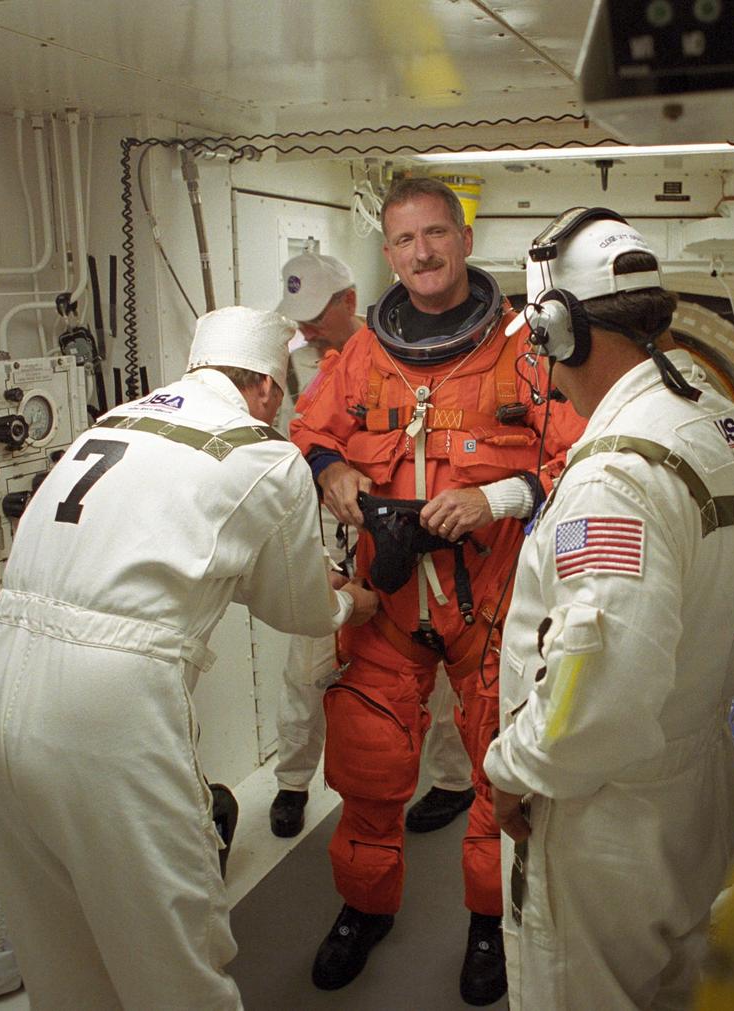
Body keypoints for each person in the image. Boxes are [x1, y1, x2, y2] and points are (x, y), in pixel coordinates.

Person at [0, 306, 379, 1010]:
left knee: (56, 944)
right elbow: (298, 609)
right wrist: (348, 603)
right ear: (269, 390)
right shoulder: (261, 450)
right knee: (171, 945)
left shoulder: (111, 422)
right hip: (107, 700)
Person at [483, 208, 734, 1009]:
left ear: (559, 329)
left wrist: (509, 768)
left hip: (609, 810)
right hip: (699, 781)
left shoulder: (615, 476)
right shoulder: (727, 424)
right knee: (675, 983)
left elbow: (600, 697)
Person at [291, 177, 584, 1005]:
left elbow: (574, 452)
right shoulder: (360, 357)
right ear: (388, 253)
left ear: (461, 238)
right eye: (404, 241)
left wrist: (499, 497)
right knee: (368, 769)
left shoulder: (524, 348)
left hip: (490, 602)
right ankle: (364, 907)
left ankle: (490, 924)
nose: (421, 253)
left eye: (435, 235)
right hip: (386, 602)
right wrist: (334, 470)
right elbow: (309, 431)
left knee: (500, 773)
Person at [270, 249, 475, 838]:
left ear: (347, 301)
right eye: (297, 316)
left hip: (409, 543)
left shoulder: (395, 357)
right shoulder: (283, 369)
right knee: (305, 669)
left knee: (435, 672)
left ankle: (451, 782)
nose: (306, 327)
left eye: (315, 313)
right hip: (320, 540)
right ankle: (291, 782)